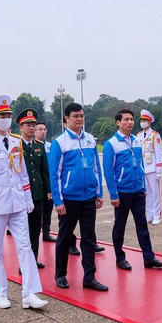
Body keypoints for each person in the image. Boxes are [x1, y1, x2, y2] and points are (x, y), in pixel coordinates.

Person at [0, 96, 48, 309]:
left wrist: (27, 198)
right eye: (2, 116)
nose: (6, 119)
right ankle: (0, 292)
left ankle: (30, 293)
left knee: (25, 247)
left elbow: (21, 172)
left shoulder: (16, 141)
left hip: (17, 203)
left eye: (8, 116)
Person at [49, 103, 107, 291]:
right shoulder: (60, 142)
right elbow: (55, 174)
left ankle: (89, 277)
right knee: (65, 238)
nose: (80, 119)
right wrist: (58, 200)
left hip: (89, 197)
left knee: (89, 238)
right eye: (75, 116)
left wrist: (99, 192)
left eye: (82, 116)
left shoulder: (90, 139)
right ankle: (61, 274)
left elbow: (96, 168)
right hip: (69, 199)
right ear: (66, 119)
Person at [103, 109, 162, 271]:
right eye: (126, 119)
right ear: (118, 122)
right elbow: (108, 172)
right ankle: (120, 257)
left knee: (142, 226)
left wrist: (144, 186)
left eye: (132, 119)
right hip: (122, 193)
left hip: (138, 190)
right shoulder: (111, 144)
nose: (130, 122)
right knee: (120, 226)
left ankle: (149, 257)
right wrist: (113, 194)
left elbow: (141, 166)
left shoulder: (136, 140)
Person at [17, 108, 51, 267]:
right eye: (28, 124)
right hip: (20, 195)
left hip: (37, 194)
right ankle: (23, 263)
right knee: (22, 231)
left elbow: (44, 170)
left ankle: (33, 259)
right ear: (20, 126)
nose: (31, 127)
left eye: (33, 124)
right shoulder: (15, 146)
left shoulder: (39, 145)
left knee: (35, 229)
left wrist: (48, 191)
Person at [137, 109, 162, 225]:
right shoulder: (138, 135)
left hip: (152, 168)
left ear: (149, 122)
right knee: (146, 193)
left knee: (155, 193)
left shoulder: (154, 135)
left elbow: (158, 153)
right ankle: (150, 214)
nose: (143, 122)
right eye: (141, 120)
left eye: (145, 120)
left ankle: (157, 215)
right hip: (143, 168)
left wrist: (159, 170)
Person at [35, 122, 57, 243]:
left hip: (49, 184)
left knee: (48, 211)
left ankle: (46, 233)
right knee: (37, 213)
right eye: (39, 129)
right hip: (38, 184)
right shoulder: (32, 146)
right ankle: (35, 234)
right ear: (35, 131)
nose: (42, 131)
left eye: (44, 129)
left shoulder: (51, 146)